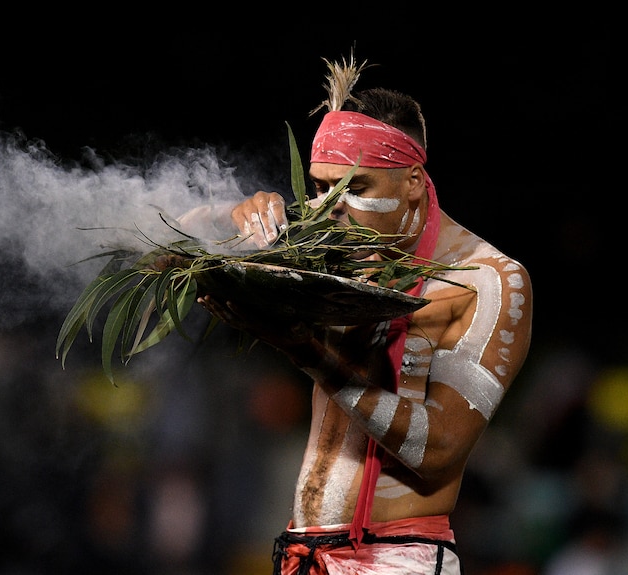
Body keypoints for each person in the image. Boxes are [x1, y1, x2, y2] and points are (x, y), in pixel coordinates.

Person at [197, 53, 533, 575]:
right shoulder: (336, 255)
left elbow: (438, 450)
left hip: (395, 557)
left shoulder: (485, 279)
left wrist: (301, 347)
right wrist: (235, 213)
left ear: (414, 181)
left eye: (355, 188)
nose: (331, 209)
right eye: (318, 186)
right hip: (304, 554)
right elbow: (171, 240)